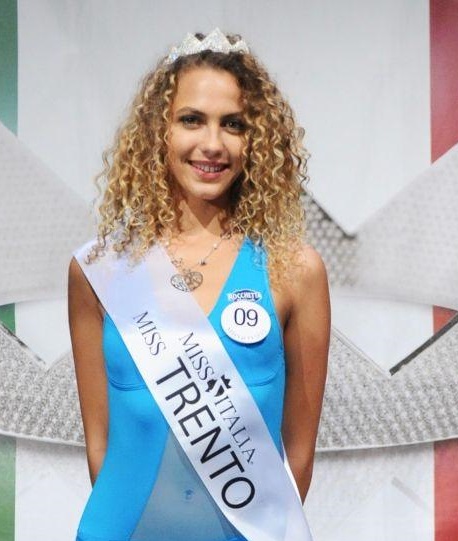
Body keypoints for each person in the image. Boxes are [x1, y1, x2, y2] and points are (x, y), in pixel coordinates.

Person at [68, 29, 330, 541]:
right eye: (191, 119)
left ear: (255, 141)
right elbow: (99, 446)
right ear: (158, 131)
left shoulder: (294, 270)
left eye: (233, 124)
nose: (212, 144)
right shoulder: (99, 270)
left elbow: (298, 455)